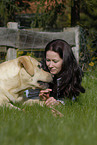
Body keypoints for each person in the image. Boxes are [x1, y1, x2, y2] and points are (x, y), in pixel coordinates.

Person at [39, 39, 85, 106]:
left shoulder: (74, 74)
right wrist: (44, 97)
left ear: (65, 61)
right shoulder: (42, 72)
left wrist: (59, 103)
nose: (50, 65)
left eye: (55, 61)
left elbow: (73, 99)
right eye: (48, 60)